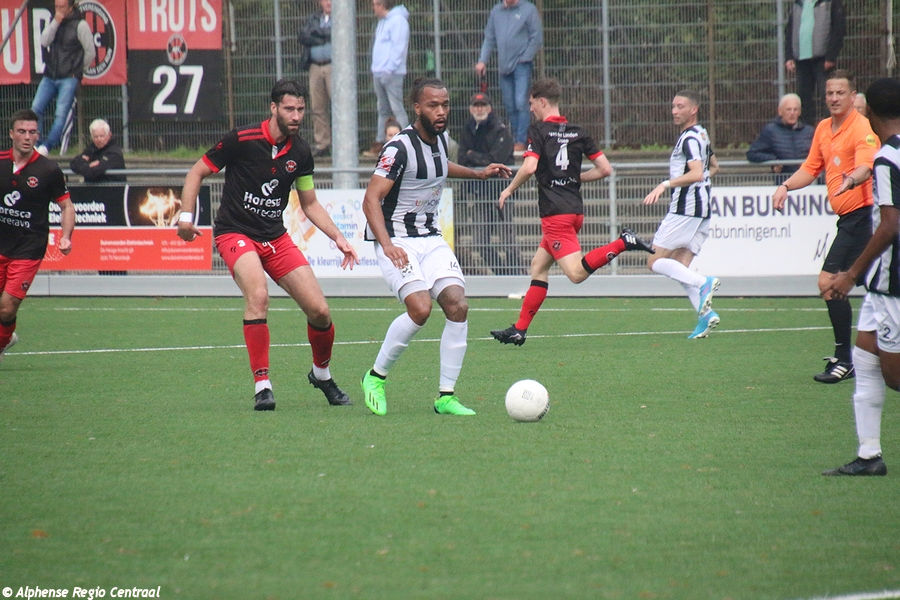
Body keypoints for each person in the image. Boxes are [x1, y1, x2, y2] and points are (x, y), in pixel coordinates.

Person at [176, 79, 359, 411]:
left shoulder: (300, 152)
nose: (296, 116)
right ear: (273, 108)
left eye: (300, 109)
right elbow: (196, 172)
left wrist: (338, 237)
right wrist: (186, 217)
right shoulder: (242, 139)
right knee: (258, 296)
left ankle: (321, 374)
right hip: (234, 233)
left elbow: (310, 203)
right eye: (289, 109)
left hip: (275, 237)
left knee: (320, 312)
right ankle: (262, 385)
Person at [360, 78, 512, 416]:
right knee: (420, 309)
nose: (441, 111)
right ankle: (375, 377)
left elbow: (440, 167)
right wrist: (387, 245)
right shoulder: (398, 148)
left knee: (458, 306)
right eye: (433, 105)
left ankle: (445, 396)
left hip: (430, 238)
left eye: (444, 105)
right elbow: (371, 199)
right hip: (397, 239)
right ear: (417, 108)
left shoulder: (441, 140)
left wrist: (478, 173)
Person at [490, 78, 654, 346]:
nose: (530, 109)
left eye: (531, 103)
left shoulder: (539, 130)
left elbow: (530, 167)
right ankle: (519, 329)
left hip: (555, 215)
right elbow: (605, 169)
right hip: (574, 211)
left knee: (576, 274)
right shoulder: (578, 131)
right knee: (538, 267)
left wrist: (508, 190)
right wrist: (575, 178)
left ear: (542, 101)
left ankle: (624, 242)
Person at [773, 69, 879, 383]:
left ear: (852, 96)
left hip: (864, 215)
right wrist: (786, 187)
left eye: (840, 93)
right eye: (830, 93)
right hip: (848, 219)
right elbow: (811, 167)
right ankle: (856, 356)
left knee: (829, 283)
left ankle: (845, 359)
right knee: (874, 284)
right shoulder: (823, 128)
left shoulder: (862, 128)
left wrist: (851, 179)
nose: (834, 98)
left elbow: (867, 165)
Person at [821, 77, 900, 477]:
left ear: (868, 110)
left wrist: (851, 274)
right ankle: (869, 456)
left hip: (891, 285)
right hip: (879, 287)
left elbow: (889, 225)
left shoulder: (888, 158)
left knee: (894, 377)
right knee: (865, 360)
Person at [642, 89, 721, 340]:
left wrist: (664, 184)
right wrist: (701, 182)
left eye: (680, 107)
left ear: (693, 110)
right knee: (679, 267)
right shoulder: (702, 134)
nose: (674, 111)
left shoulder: (689, 138)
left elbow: (696, 173)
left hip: (685, 209)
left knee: (654, 261)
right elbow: (714, 167)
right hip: (703, 210)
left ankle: (703, 282)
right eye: (673, 106)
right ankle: (706, 316)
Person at [0, 109, 75, 362]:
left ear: (38, 135)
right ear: (11, 134)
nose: (27, 137)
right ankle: (7, 336)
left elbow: (67, 206)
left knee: (7, 307)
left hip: (28, 248)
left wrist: (66, 236)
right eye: (22, 131)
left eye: (32, 132)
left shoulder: (48, 170)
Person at [456, 91, 515, 275]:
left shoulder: (500, 129)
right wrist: (479, 160)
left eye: (483, 106)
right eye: (476, 106)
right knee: (480, 242)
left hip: (501, 192)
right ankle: (503, 276)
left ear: (489, 108)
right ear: (470, 109)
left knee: (508, 241)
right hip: (480, 193)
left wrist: (472, 155)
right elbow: (461, 158)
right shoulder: (468, 128)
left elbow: (496, 160)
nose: (479, 109)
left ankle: (518, 276)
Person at [475, 0, 543, 153]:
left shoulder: (528, 9)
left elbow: (536, 38)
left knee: (521, 103)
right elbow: (489, 38)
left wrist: (525, 57)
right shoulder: (496, 11)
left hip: (522, 65)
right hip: (504, 67)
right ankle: (515, 139)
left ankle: (521, 141)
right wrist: (482, 61)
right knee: (510, 105)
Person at [31, 0, 95, 156]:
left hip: (68, 77)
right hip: (50, 75)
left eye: (62, 7)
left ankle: (47, 146)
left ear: (71, 8)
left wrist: (77, 70)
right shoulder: (55, 22)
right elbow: (44, 41)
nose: (59, 10)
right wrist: (55, 23)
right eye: (56, 6)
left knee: (60, 114)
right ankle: (36, 143)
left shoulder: (80, 25)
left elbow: (90, 52)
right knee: (36, 108)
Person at [785, 0, 845, 125]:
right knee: (803, 97)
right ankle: (805, 129)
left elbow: (838, 29)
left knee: (828, 95)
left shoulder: (831, 3)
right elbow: (790, 29)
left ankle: (831, 127)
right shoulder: (798, 4)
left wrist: (831, 56)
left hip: (822, 59)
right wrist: (789, 56)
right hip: (801, 59)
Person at [364, 0, 409, 158]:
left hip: (392, 73)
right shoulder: (382, 21)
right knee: (382, 109)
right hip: (379, 72)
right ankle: (381, 143)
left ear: (382, 5)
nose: (373, 7)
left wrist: (389, 69)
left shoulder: (398, 21)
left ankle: (407, 142)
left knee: (397, 107)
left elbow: (399, 47)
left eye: (375, 4)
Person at [746, 93, 814, 182]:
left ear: (800, 112)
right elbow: (752, 154)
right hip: (783, 183)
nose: (792, 113)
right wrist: (774, 160)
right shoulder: (771, 131)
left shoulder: (809, 131)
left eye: (795, 109)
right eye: (788, 109)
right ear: (780, 111)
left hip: (808, 183)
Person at [298, 0, 332, 157]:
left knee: (339, 106)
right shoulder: (314, 18)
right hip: (315, 67)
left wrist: (318, 33)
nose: (329, 2)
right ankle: (322, 144)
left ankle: (343, 143)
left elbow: (332, 33)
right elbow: (304, 36)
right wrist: (322, 37)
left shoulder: (340, 18)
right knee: (317, 106)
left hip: (333, 67)